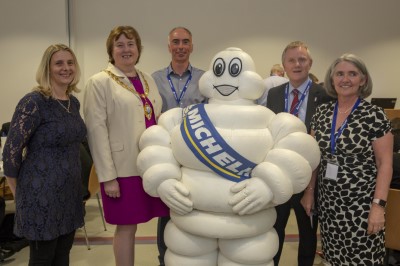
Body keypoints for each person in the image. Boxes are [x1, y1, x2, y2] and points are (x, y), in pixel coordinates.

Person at [83, 25, 169, 266]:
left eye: (131, 44)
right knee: (126, 227)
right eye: (119, 45)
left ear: (139, 49)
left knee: (160, 218)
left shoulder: (147, 78)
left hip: (150, 166)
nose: (126, 49)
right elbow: (96, 132)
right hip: (122, 170)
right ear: (111, 50)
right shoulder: (99, 82)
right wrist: (107, 176)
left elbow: (156, 116)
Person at [2, 44, 86, 265]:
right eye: (59, 63)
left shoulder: (73, 103)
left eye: (70, 63)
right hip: (41, 196)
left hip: (69, 195)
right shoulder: (34, 102)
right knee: (42, 258)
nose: (66, 68)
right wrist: (19, 194)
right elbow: (11, 152)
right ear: (47, 68)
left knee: (63, 256)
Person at [305, 53, 393, 265]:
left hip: (362, 206)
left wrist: (378, 207)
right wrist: (309, 192)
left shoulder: (375, 115)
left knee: (363, 259)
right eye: (340, 74)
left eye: (352, 74)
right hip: (328, 204)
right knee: (333, 257)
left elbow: (385, 164)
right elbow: (313, 158)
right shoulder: (321, 113)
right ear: (332, 79)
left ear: (363, 80)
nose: (345, 79)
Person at [266, 41, 331, 266]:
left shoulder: (324, 94)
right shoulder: (274, 94)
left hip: (310, 176)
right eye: (291, 60)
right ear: (284, 64)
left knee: (307, 233)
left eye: (302, 60)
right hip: (279, 175)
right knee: (274, 230)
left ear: (310, 63)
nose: (297, 64)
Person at [151, 26, 206, 266]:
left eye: (185, 42)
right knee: (167, 207)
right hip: (166, 153)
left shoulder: (204, 79)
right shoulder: (154, 79)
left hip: (196, 155)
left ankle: (194, 256)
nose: (181, 47)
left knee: (193, 204)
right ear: (169, 46)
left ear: (192, 46)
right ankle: (165, 257)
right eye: (176, 42)